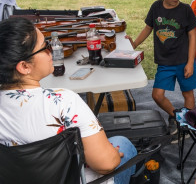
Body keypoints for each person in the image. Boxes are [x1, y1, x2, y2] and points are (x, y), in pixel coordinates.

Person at [0, 18, 137, 184]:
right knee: (122, 143)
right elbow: (106, 164)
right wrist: (113, 153)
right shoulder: (64, 102)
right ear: (24, 67)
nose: (52, 51)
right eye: (45, 47)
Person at [125, 0, 196, 136]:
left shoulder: (186, 10)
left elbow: (193, 36)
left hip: (184, 61)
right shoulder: (156, 7)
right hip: (165, 63)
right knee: (157, 95)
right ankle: (176, 116)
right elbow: (148, 28)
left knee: (188, 94)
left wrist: (190, 62)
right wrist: (134, 43)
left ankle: (187, 125)